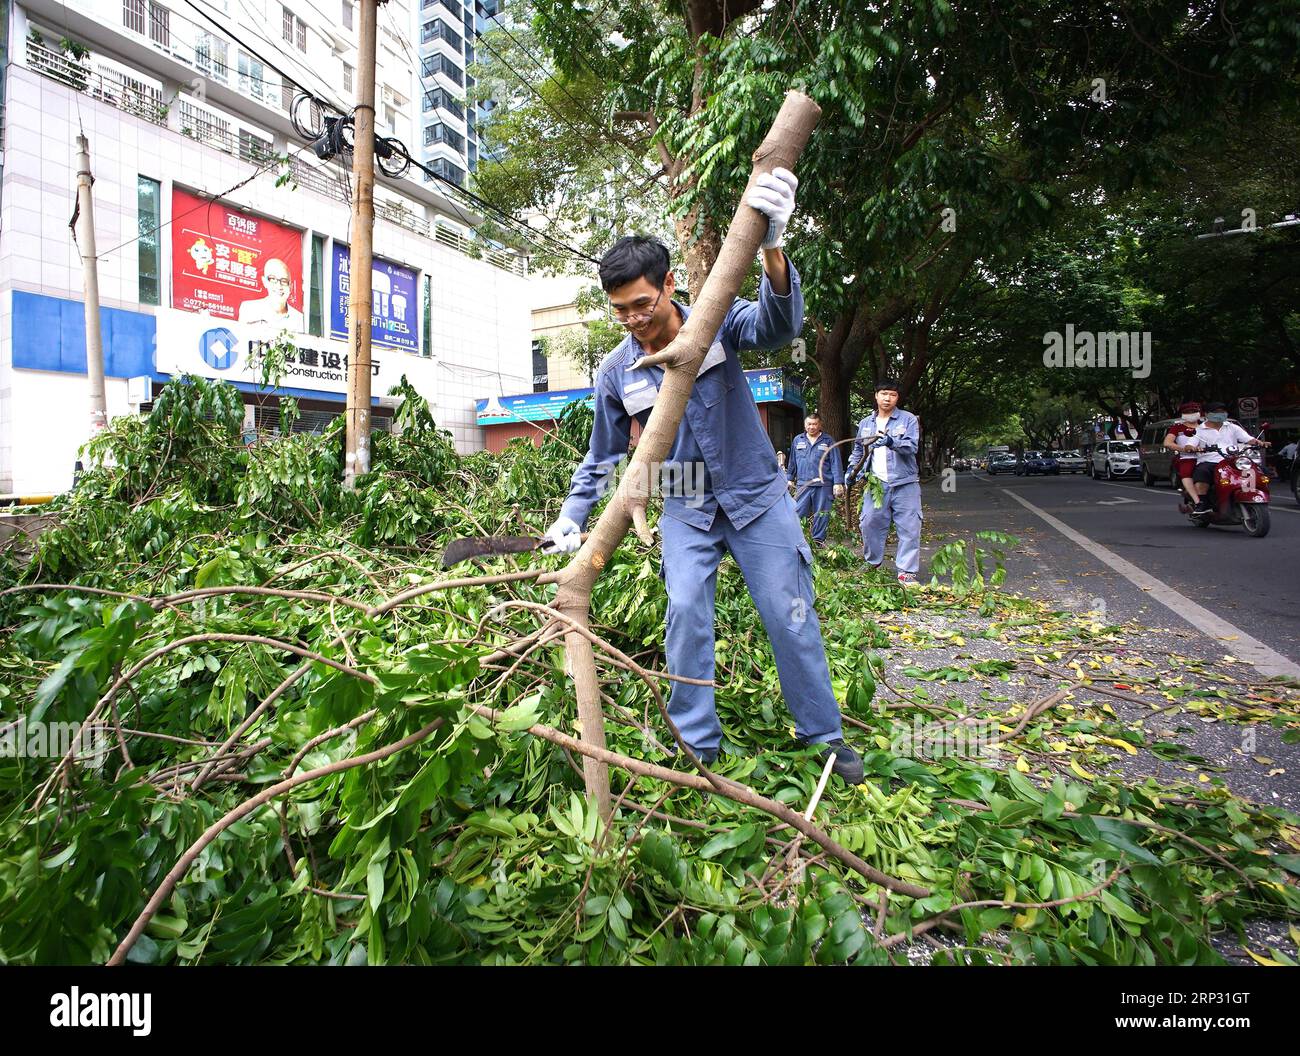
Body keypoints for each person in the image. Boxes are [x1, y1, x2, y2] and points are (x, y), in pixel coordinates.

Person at [541, 175, 864, 784]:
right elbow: (602, 455)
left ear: (668, 285)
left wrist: (772, 247)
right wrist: (572, 516)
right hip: (686, 508)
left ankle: (823, 736)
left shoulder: (717, 322)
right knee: (686, 615)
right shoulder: (618, 370)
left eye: (643, 303)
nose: (634, 319)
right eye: (621, 310)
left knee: (788, 613)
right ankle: (697, 744)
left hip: (757, 500)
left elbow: (777, 327)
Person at [846, 379, 922, 585]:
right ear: (876, 396)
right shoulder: (865, 423)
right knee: (869, 522)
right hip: (876, 483)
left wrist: (891, 442)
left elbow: (912, 447)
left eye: (892, 395)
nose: (887, 398)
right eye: (883, 394)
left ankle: (906, 571)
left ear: (897, 398)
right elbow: (858, 451)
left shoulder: (908, 420)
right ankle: (873, 563)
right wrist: (851, 470)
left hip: (905, 482)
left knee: (909, 527)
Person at [1186, 402, 1269, 513]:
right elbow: (1190, 445)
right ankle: (1202, 502)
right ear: (1206, 414)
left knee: (1261, 470)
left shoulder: (1232, 427)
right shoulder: (1199, 430)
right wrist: (1192, 448)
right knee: (1202, 472)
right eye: (1216, 412)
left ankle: (1255, 494)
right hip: (1211, 460)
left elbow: (1248, 439)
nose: (1220, 414)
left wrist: (1259, 442)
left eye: (1222, 412)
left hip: (1233, 460)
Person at [787, 414, 845, 547]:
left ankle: (818, 542)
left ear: (820, 425)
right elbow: (792, 461)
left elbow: (836, 462)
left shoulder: (828, 440)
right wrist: (789, 478)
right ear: (805, 425)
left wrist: (838, 483)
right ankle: (798, 541)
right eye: (809, 424)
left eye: (814, 424)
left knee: (822, 514)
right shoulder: (798, 440)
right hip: (804, 484)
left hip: (824, 485)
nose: (811, 427)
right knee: (797, 512)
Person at [238, 257, 304, 331]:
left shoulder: (301, 320)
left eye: (284, 281)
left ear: (290, 287)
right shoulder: (249, 309)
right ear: (264, 282)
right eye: (273, 279)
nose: (279, 286)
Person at [1163, 401, 1202, 507]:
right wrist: (1184, 449)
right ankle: (1197, 501)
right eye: (1188, 412)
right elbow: (1167, 443)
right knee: (1186, 473)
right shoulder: (1177, 428)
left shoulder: (1204, 426)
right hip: (1187, 457)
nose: (1191, 413)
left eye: (1194, 411)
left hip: (1207, 457)